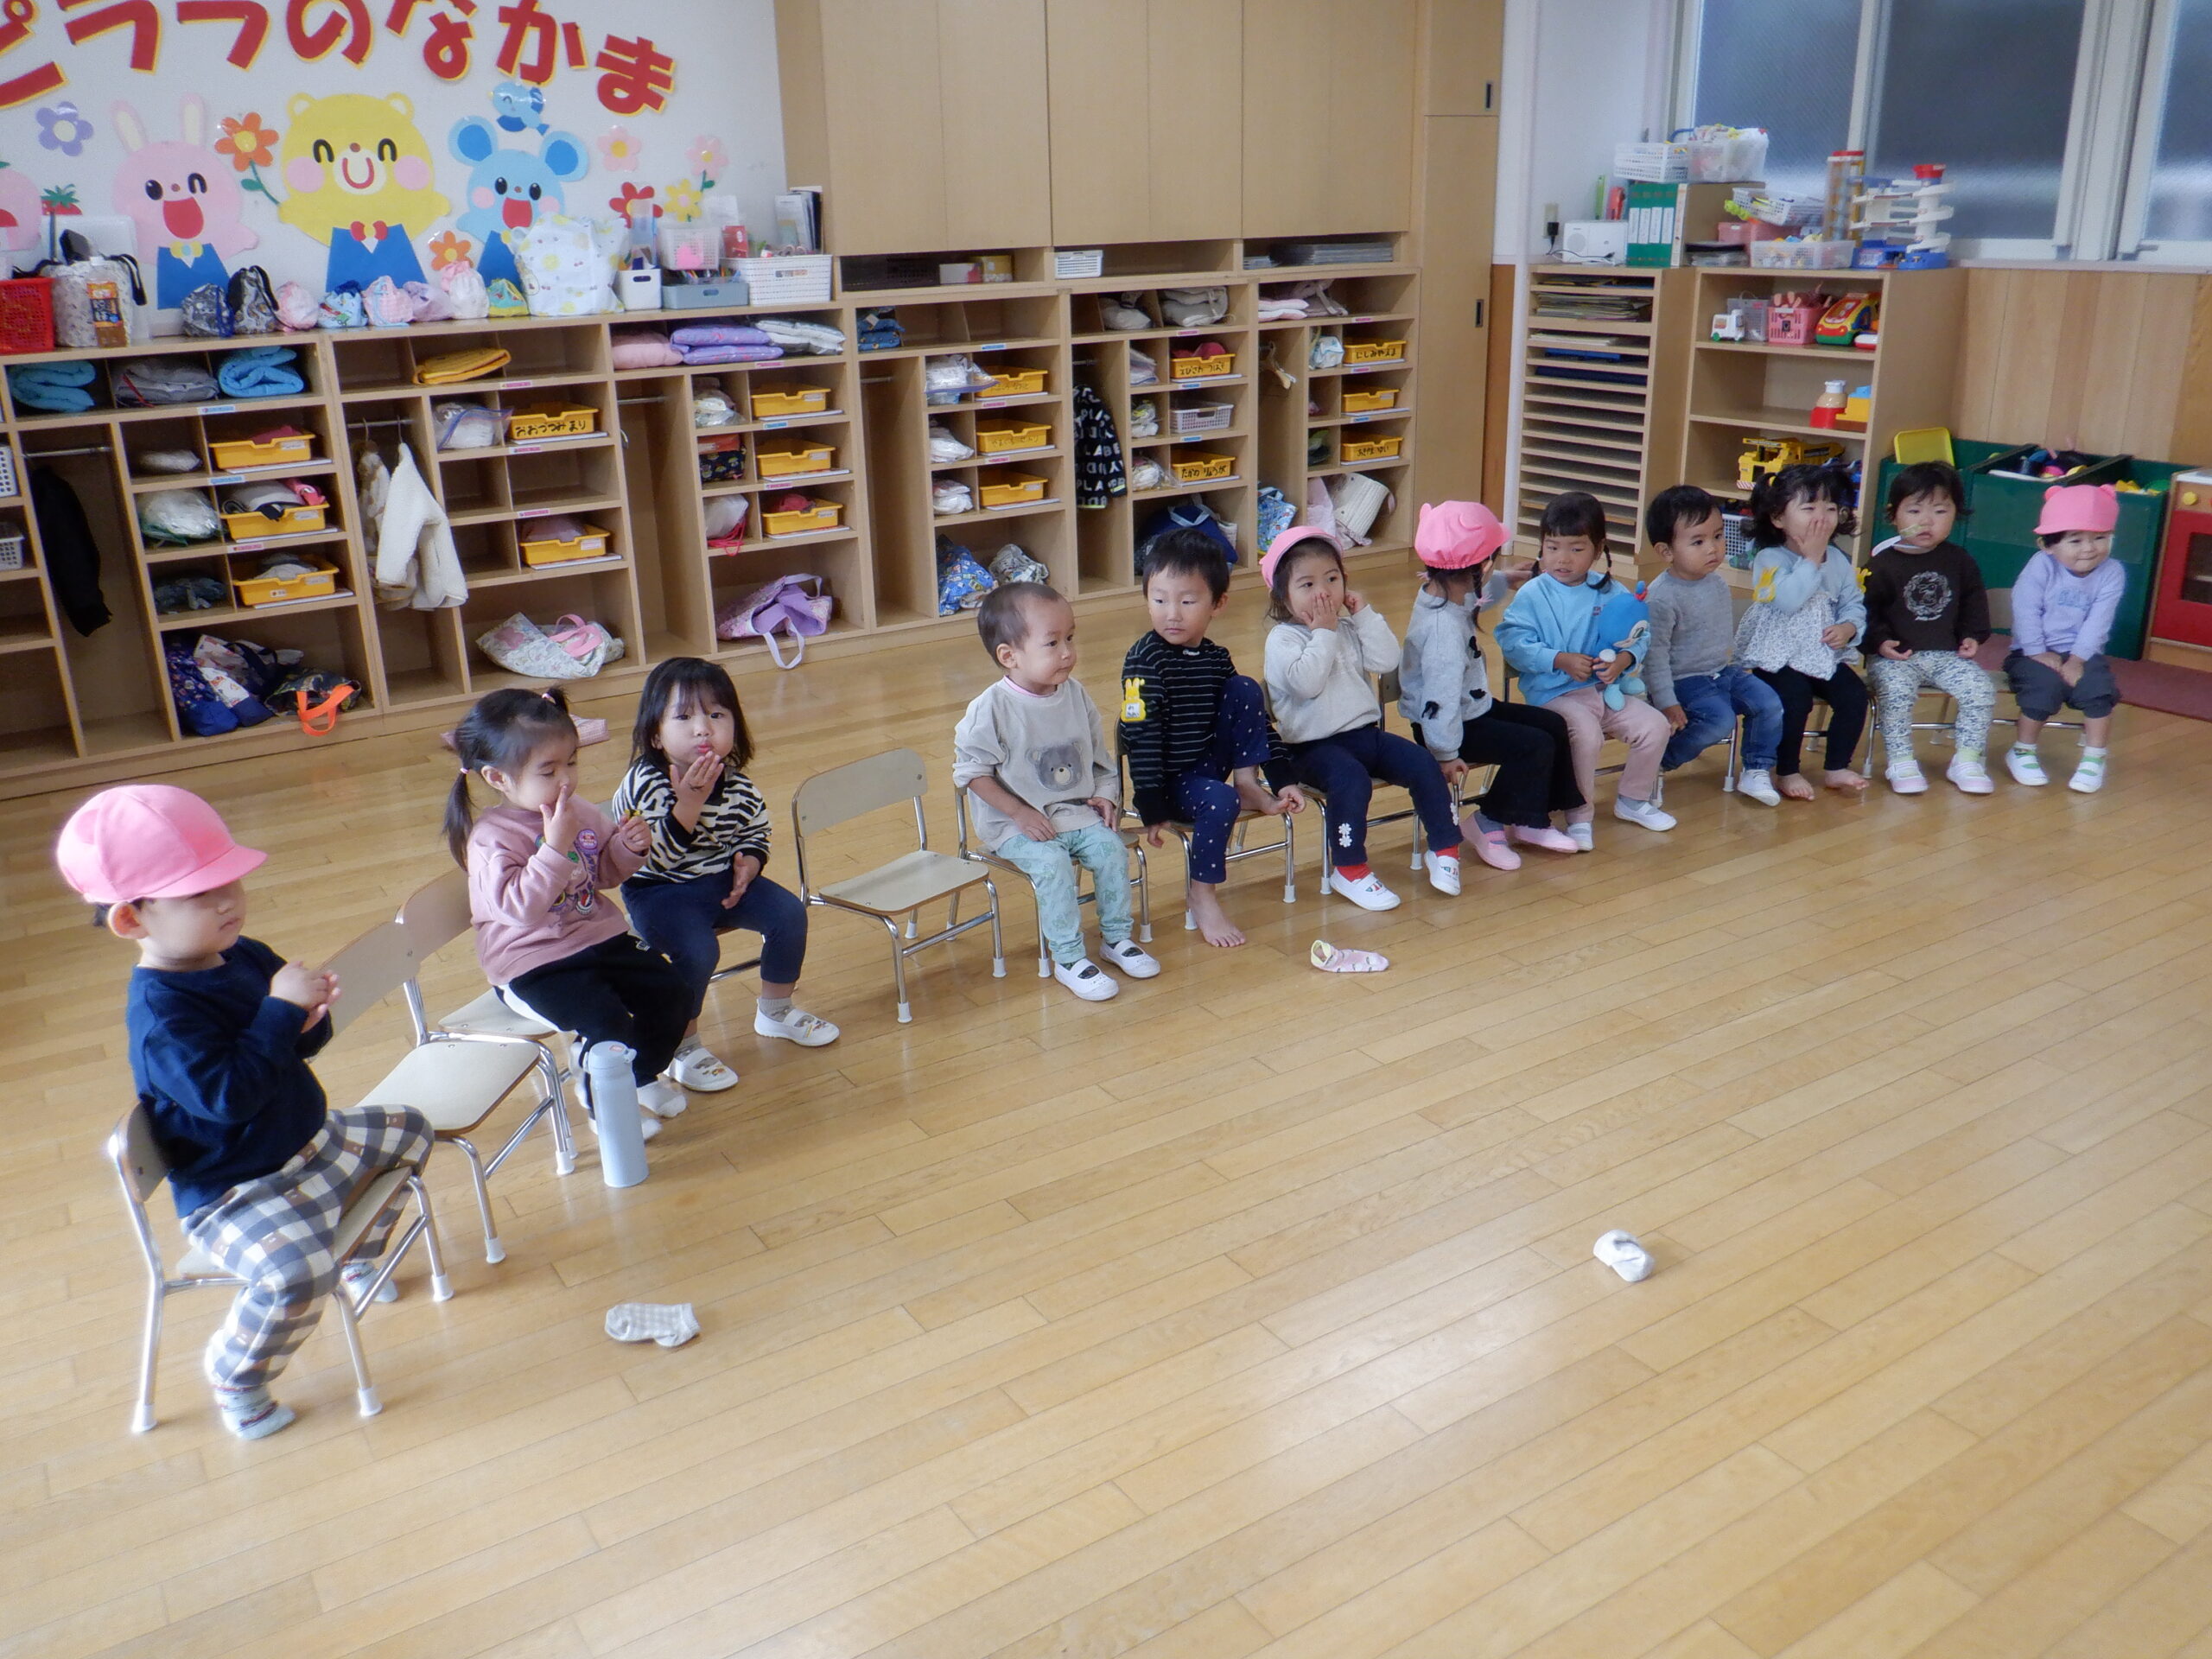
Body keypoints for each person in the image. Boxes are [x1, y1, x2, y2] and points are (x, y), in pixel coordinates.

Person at [54, 785, 433, 1440]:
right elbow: (230, 1099)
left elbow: (294, 1046)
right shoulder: (161, 1019)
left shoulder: (244, 952)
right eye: (200, 894)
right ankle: (238, 1376)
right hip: (235, 1190)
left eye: (229, 880)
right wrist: (280, 1011)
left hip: (313, 1145)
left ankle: (358, 1253)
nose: (228, 900)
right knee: (295, 1276)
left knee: (413, 1130)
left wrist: (308, 1018)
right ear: (132, 920)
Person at [445, 685, 690, 1141]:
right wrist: (555, 847)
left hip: (595, 936)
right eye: (548, 770)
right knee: (606, 1024)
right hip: (531, 961)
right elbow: (520, 909)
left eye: (572, 763)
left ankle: (637, 1076)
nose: (566, 780)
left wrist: (627, 847)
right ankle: (607, 1106)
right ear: (498, 778)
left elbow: (603, 874)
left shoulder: (576, 810)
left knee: (671, 993)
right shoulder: (491, 838)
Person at [613, 658, 838, 1092]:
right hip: (658, 890)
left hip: (720, 881)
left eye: (716, 715)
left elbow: (756, 830)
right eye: (684, 717)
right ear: (656, 735)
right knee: (698, 950)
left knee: (789, 914)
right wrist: (689, 803)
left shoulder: (736, 783)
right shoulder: (644, 783)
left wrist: (749, 863)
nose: (703, 729)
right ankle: (681, 1043)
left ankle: (775, 1011)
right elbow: (652, 860)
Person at [953, 581, 1161, 1001]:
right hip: (1014, 825)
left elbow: (1100, 761)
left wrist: (1105, 794)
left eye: (1070, 638)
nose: (1067, 652)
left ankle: (1116, 938)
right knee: (1052, 864)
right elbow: (972, 774)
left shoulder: (1076, 694)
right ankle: (1068, 957)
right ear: (1009, 656)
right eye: (1052, 643)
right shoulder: (990, 709)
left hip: (1073, 812)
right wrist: (1019, 812)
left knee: (1110, 851)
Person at [1119, 528, 1305, 949]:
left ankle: (1247, 783)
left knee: (1245, 689)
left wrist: (1282, 778)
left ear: (1218, 604)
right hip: (1172, 782)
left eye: (1187, 602)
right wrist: (1151, 804)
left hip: (1208, 765)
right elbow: (1140, 735)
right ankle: (1202, 894)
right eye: (1159, 600)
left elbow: (1253, 721)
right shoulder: (1144, 661)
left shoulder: (1216, 657)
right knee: (1221, 800)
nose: (1172, 614)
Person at [1262, 525, 1463, 908]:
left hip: (1364, 735)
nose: (1323, 593)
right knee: (1351, 780)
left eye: (1332, 579)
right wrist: (1323, 633)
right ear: (1283, 597)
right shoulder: (1283, 640)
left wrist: (1365, 616)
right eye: (1307, 585)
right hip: (1311, 748)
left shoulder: (1348, 626)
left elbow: (1386, 661)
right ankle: (1349, 868)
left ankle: (1444, 847)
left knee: (1423, 763)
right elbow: (1306, 684)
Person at [1396, 499, 1582, 869]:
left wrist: (1506, 579)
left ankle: (1532, 816)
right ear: (1481, 566)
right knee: (1534, 746)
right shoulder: (1442, 633)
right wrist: (1445, 754)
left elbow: (1471, 594)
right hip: (1445, 727)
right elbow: (1438, 700)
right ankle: (1487, 821)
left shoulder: (1442, 589)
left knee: (1552, 725)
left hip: (1467, 709)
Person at [1494, 492, 1675, 850]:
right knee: (1587, 736)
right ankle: (1579, 815)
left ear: (1598, 549)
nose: (1562, 558)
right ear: (1541, 547)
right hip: (1553, 696)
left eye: (1576, 549)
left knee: (1655, 726)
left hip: (1605, 693)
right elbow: (1513, 643)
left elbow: (1640, 634)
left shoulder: (1610, 590)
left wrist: (1624, 660)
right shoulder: (1533, 593)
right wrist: (1558, 659)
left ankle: (1633, 799)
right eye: (1552, 547)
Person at [1643, 484, 1787, 807]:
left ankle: (1756, 769)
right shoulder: (1661, 597)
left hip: (1722, 671)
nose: (1713, 548)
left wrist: (1738, 666)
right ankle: (1656, 762)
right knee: (1720, 721)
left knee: (1769, 702)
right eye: (1698, 541)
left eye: (1718, 536)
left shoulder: (1717, 583)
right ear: (1666, 551)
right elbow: (1654, 657)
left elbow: (1720, 636)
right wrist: (1666, 701)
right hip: (1683, 680)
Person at [1734, 462, 1871, 798]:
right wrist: (1810, 560)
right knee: (1794, 700)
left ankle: (1836, 767)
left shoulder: (1838, 560)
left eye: (1830, 508)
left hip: (1820, 653)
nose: (1821, 517)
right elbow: (1787, 601)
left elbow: (1853, 603)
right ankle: (1787, 771)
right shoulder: (1769, 559)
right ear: (1778, 518)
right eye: (1809, 508)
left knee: (1854, 696)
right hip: (1776, 655)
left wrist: (1849, 626)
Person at [1866, 460, 1994, 795]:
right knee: (1896, 692)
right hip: (1896, 658)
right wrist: (1880, 642)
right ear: (1893, 515)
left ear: (1956, 514)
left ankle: (1967, 760)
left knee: (1980, 689)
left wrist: (1972, 635)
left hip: (1946, 655)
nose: (1926, 521)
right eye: (1914, 511)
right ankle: (1901, 760)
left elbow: (1974, 602)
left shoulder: (1960, 560)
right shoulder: (1881, 563)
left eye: (1940, 511)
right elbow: (1867, 611)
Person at [2004, 483, 2126, 794]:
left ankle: (2094, 757)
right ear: (2048, 545)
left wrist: (2077, 660)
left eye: (2100, 538)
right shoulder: (2041, 565)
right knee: (2043, 687)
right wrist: (2036, 651)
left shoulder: (2112, 572)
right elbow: (2025, 608)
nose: (2089, 548)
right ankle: (2022, 751)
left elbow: (2099, 622)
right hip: (2031, 652)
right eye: (2076, 540)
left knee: (2099, 690)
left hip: (2081, 653)